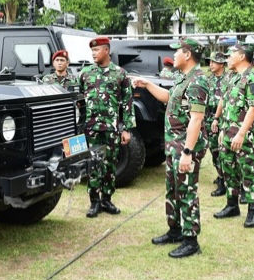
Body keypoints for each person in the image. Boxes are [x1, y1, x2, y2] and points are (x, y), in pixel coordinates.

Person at [132, 38, 209, 258]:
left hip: (185, 147)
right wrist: (147, 85)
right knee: (173, 190)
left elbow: (196, 119)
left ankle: (191, 240)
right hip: (173, 146)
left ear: (187, 54)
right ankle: (174, 230)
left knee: (186, 192)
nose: (173, 55)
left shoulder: (197, 82)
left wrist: (187, 152)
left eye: (177, 52)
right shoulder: (183, 78)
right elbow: (168, 98)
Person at [78, 37, 135, 218]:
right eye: (92, 51)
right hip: (91, 128)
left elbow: (127, 103)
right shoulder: (85, 73)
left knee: (110, 164)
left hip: (111, 128)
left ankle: (107, 199)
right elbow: (78, 102)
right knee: (93, 164)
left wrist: (126, 128)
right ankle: (94, 202)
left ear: (106, 51)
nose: (93, 53)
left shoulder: (120, 74)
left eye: (97, 50)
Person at [211, 43, 254, 228]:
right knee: (228, 170)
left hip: (243, 135)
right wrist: (218, 121)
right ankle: (232, 205)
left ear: (242, 57)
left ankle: (252, 211)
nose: (227, 58)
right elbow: (223, 100)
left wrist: (241, 133)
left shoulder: (253, 78)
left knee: (248, 171)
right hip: (227, 132)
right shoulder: (231, 77)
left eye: (231, 55)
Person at [204, 51, 229, 197]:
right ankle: (221, 177)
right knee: (215, 151)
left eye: (214, 62)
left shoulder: (229, 79)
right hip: (210, 119)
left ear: (221, 63)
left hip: (225, 119)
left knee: (227, 152)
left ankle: (229, 179)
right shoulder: (209, 80)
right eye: (210, 61)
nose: (211, 64)